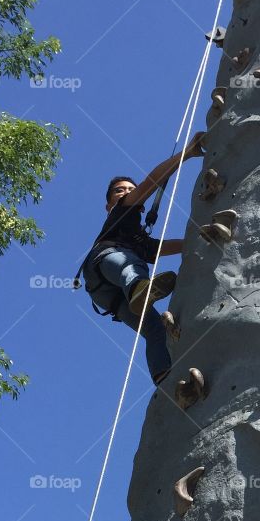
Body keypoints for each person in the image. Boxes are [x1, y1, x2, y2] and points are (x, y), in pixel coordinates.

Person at [78, 134, 205, 385]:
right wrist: (187, 153)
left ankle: (164, 378)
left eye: (129, 190)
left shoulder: (140, 239)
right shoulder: (121, 211)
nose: (126, 192)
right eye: (120, 190)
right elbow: (153, 181)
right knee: (131, 263)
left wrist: (201, 237)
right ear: (109, 205)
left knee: (155, 329)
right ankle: (139, 287)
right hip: (105, 264)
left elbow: (163, 248)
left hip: (112, 298)